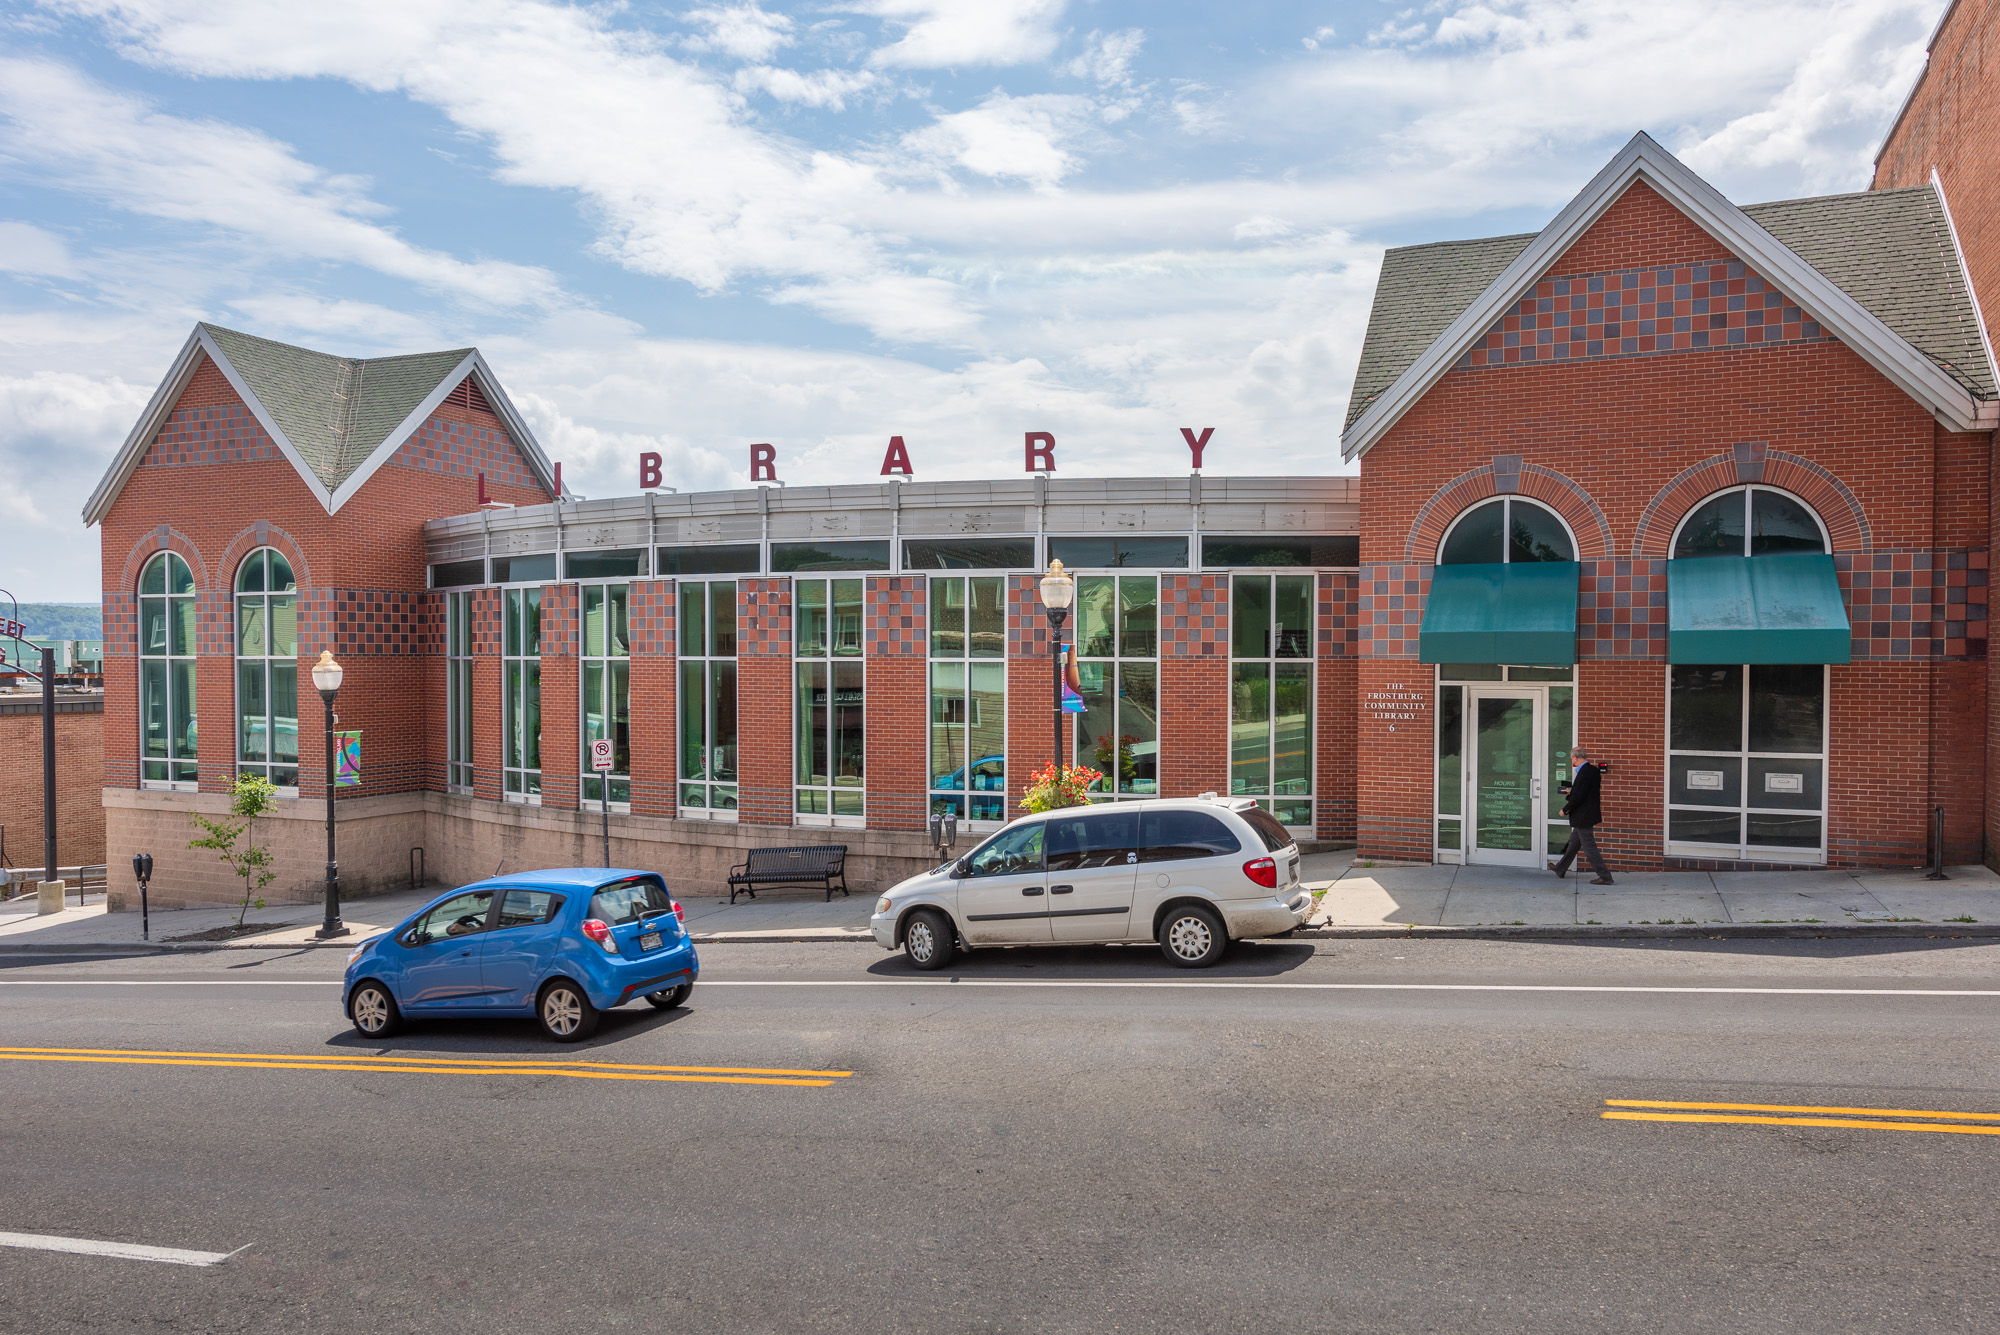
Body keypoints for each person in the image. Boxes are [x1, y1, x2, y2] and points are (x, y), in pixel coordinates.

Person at [1549, 744, 1613, 885]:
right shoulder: (1593, 770)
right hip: (1587, 814)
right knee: (1574, 844)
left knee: (1589, 847)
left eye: (1572, 758)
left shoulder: (1584, 772)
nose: (1572, 761)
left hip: (1583, 815)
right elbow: (1586, 792)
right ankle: (1561, 868)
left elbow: (1580, 797)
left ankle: (1605, 875)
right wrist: (1573, 791)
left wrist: (1565, 809)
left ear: (1575, 758)